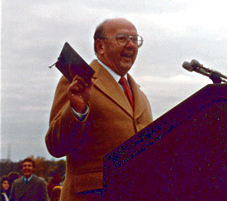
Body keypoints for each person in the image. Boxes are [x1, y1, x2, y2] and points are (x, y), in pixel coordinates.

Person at [45, 18, 153, 200]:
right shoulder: (77, 80)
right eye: (122, 38)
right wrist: (77, 110)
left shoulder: (140, 96)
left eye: (135, 40)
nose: (131, 45)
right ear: (100, 46)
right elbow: (56, 146)